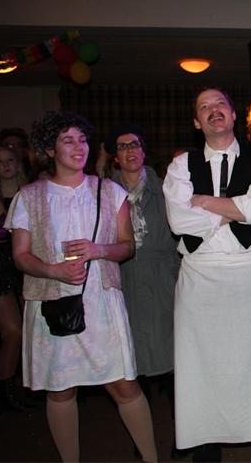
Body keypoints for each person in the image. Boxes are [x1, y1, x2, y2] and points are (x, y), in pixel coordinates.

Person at [6, 111, 157, 462]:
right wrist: (53, 271)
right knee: (60, 390)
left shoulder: (110, 191)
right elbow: (20, 256)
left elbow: (127, 246)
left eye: (83, 139)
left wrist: (98, 250)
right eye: (68, 140)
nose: (79, 147)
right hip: (52, 303)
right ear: (49, 149)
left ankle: (152, 459)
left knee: (125, 386)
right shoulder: (29, 196)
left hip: (101, 301)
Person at [163, 88, 251, 462]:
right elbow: (179, 220)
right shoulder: (180, 165)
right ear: (196, 122)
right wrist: (234, 210)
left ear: (233, 115)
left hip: (249, 275)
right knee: (200, 368)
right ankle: (205, 444)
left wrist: (204, 203)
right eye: (204, 107)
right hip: (198, 279)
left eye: (220, 104)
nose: (213, 110)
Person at [105, 123, 179, 382]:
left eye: (134, 144)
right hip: (124, 275)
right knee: (130, 348)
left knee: (169, 345)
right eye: (122, 147)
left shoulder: (167, 189)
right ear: (115, 157)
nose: (130, 151)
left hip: (163, 276)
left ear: (143, 151)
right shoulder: (104, 194)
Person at [0, 145, 31, 411]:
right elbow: (5, 226)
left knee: (28, 329)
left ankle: (19, 386)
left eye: (10, 160)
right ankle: (5, 393)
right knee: (12, 330)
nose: (6, 165)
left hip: (25, 267)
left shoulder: (29, 192)